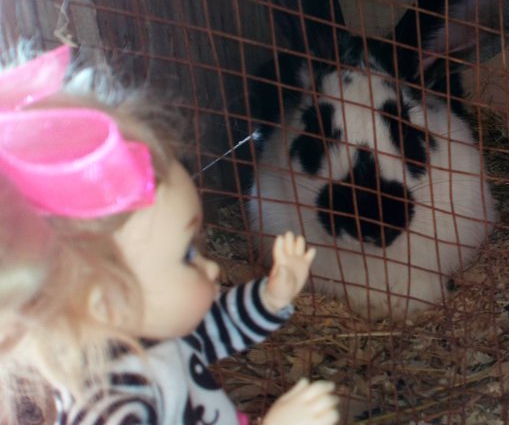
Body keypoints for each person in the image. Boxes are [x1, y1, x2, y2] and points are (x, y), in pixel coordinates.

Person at [0, 43, 339, 424]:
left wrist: (271, 296)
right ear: (108, 301)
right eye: (186, 258)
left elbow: (215, 329)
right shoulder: (109, 407)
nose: (211, 269)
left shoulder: (154, 335)